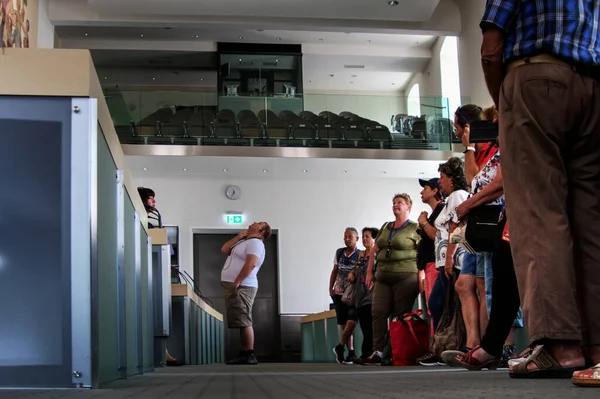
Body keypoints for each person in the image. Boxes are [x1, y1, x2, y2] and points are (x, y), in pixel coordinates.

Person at [481, 0, 600, 384]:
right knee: (591, 224)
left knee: (538, 214)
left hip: (535, 79)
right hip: (592, 86)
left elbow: (492, 47)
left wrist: (504, 103)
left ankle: (561, 346)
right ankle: (596, 348)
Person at [356, 193, 421, 365]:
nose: (395, 205)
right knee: (377, 312)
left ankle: (392, 352)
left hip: (406, 276)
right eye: (393, 202)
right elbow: (373, 251)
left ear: (409, 207)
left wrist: (421, 275)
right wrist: (369, 272)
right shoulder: (386, 226)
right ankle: (377, 351)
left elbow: (423, 253)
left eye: (399, 202)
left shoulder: (415, 228)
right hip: (383, 277)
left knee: (399, 315)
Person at [417, 158, 470, 366]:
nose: (440, 181)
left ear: (451, 177)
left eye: (442, 177)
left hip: (454, 261)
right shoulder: (451, 198)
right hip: (445, 262)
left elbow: (455, 229)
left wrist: (449, 258)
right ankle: (444, 346)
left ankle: (445, 346)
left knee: (438, 303)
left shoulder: (457, 196)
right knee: (442, 304)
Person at [220, 221, 272, 365]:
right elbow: (224, 249)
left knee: (244, 318)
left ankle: (249, 353)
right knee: (241, 319)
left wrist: (237, 281)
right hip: (237, 285)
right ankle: (245, 352)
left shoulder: (256, 243)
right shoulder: (244, 241)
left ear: (261, 232)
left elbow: (251, 263)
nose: (253, 222)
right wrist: (237, 237)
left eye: (258, 223)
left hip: (243, 285)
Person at [416, 178, 445, 334]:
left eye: (425, 188)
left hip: (436, 265)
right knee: (431, 307)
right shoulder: (434, 214)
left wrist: (424, 222)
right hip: (428, 267)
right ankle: (435, 345)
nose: (422, 191)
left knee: (435, 305)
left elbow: (437, 236)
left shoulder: (441, 211)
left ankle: (438, 345)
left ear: (435, 190)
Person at [330, 228, 361, 364]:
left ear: (356, 238)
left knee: (352, 320)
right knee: (343, 323)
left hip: (353, 294)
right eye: (345, 237)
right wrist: (330, 288)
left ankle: (340, 346)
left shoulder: (360, 254)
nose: (347, 239)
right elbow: (335, 271)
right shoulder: (340, 252)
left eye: (350, 237)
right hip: (338, 292)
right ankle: (350, 352)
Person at [348, 227, 379, 360]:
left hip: (371, 296)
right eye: (364, 236)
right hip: (359, 296)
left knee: (369, 328)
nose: (365, 239)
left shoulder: (377, 255)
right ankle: (366, 354)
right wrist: (352, 273)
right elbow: (355, 270)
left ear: (374, 239)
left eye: (368, 236)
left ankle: (367, 354)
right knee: (365, 327)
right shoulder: (360, 255)